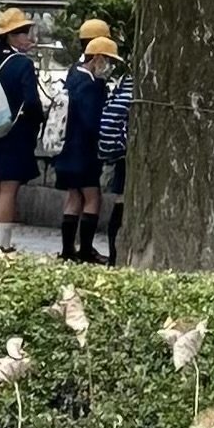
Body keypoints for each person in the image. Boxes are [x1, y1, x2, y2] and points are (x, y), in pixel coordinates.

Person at [0, 9, 44, 252]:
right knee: (8, 189)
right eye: (24, 33)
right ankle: (3, 243)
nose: (28, 37)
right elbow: (32, 101)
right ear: (12, 36)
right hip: (15, 130)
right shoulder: (22, 64)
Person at [54, 28, 116, 261]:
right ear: (98, 58)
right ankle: (86, 248)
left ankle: (68, 250)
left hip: (65, 149)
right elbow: (93, 121)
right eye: (107, 60)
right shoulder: (93, 85)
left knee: (73, 197)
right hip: (84, 150)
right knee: (92, 197)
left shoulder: (73, 74)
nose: (109, 66)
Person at [97, 57, 133, 262]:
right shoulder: (136, 85)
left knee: (120, 201)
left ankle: (113, 257)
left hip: (120, 153)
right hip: (129, 153)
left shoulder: (124, 81)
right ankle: (115, 256)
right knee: (122, 203)